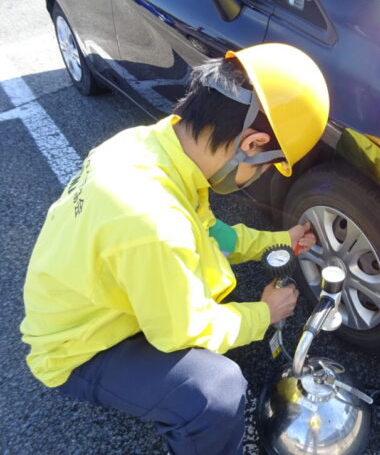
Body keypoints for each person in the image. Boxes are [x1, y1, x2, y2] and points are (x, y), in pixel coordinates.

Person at [20, 43, 329, 455]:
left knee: (212, 294)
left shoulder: (149, 147)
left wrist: (279, 240)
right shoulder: (153, 222)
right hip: (80, 347)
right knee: (215, 392)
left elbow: (211, 234)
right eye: (269, 164)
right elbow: (180, 331)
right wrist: (264, 313)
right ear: (251, 144)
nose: (262, 175)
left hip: (94, 297)